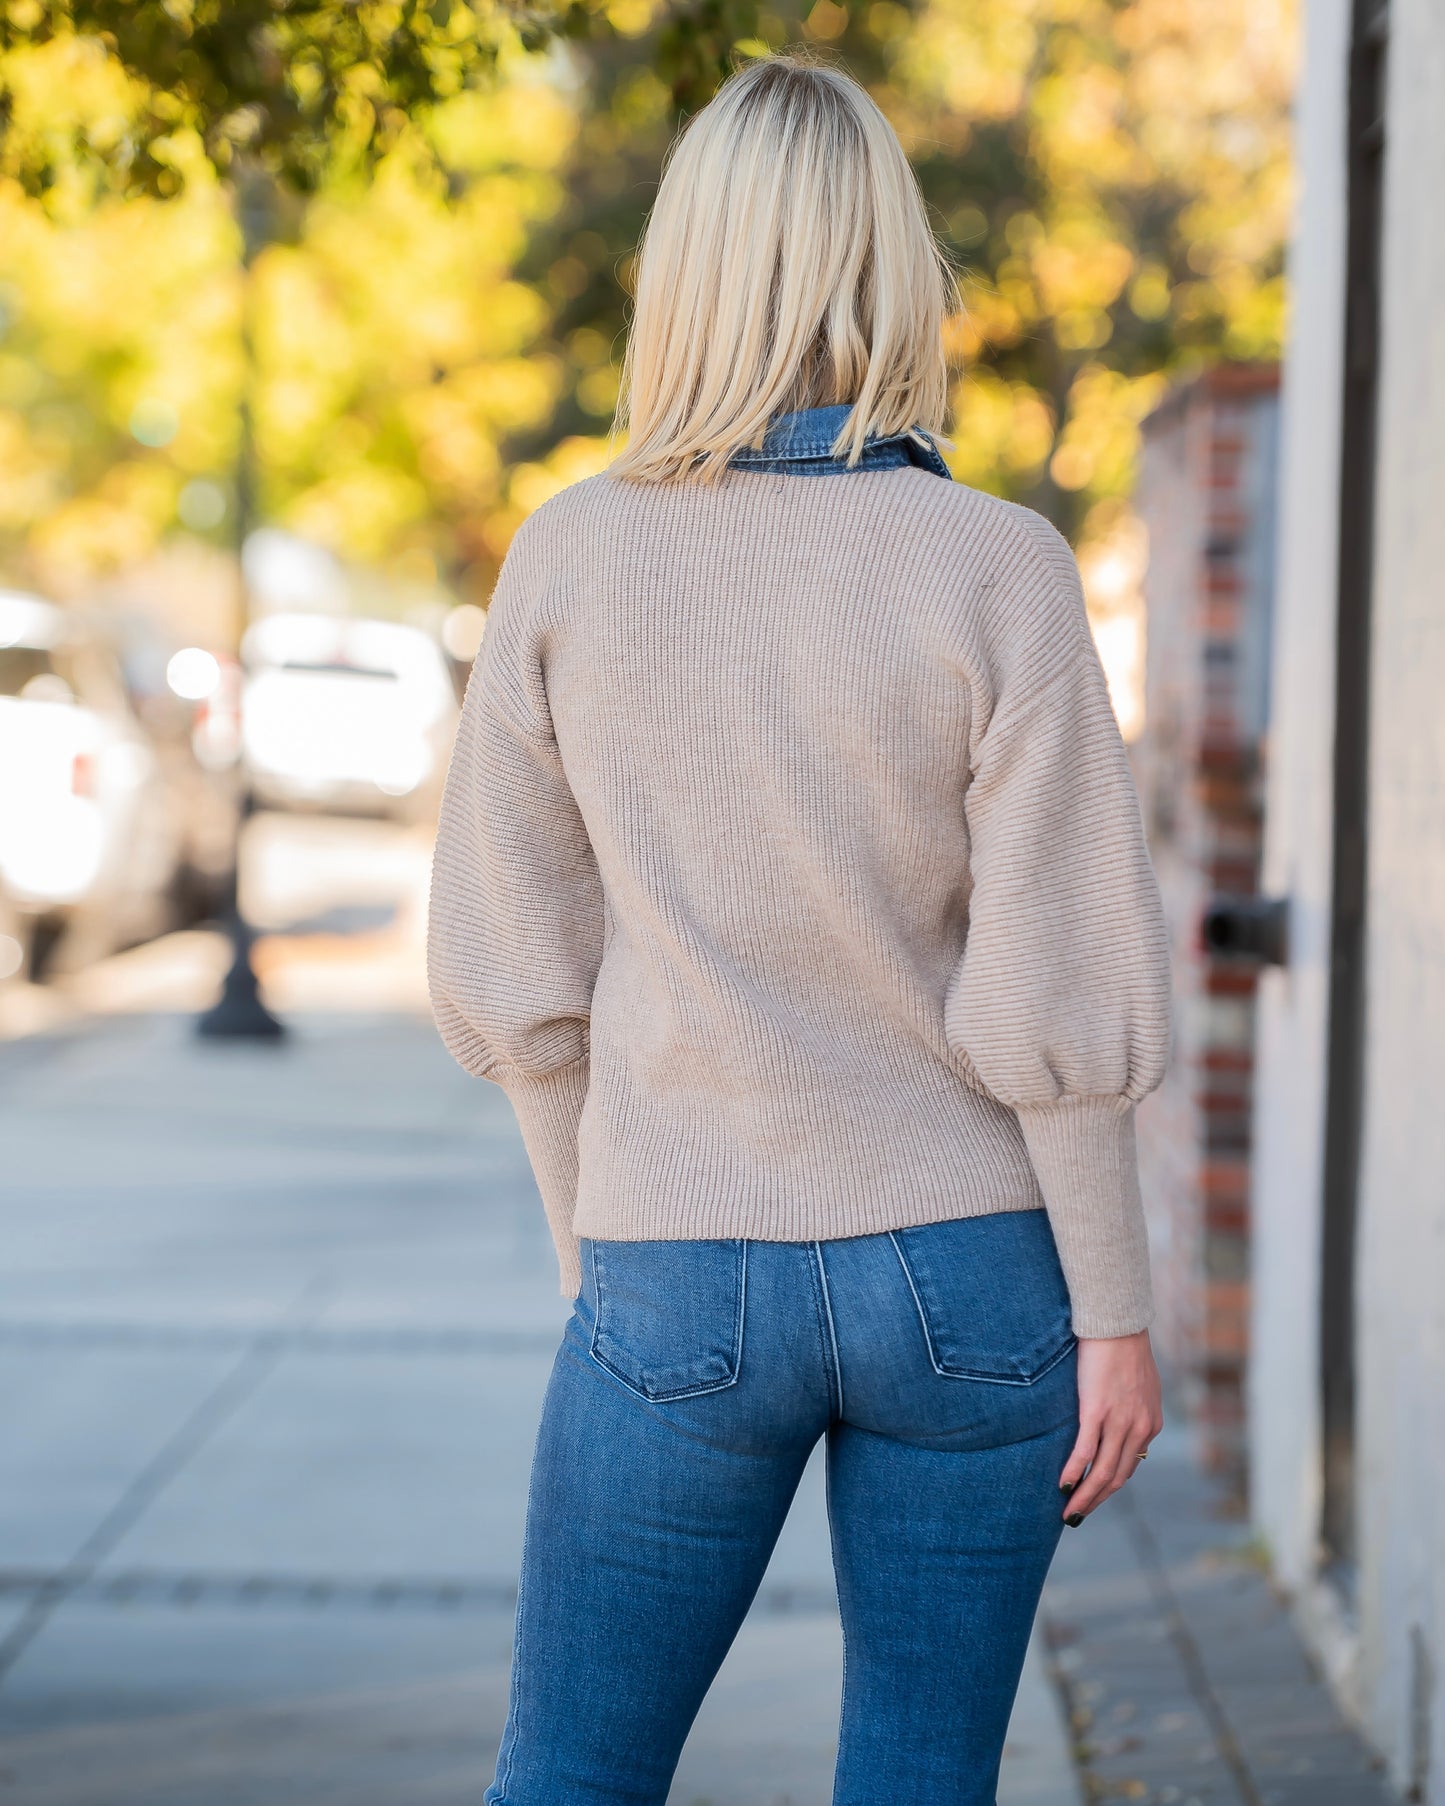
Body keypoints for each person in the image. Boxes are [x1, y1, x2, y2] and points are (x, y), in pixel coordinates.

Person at [428, 51, 1170, 1806]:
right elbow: (1057, 971)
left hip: (672, 1260)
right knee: (923, 1780)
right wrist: (1115, 1311)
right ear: (895, 268)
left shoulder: (567, 557)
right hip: (975, 1275)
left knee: (569, 1780)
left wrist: (592, 1241)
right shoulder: (998, 564)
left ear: (684, 269)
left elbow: (509, 962)